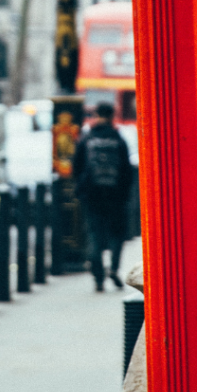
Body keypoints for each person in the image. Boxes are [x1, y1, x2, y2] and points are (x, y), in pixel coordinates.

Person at [73, 101, 133, 291]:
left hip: (92, 196)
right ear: (112, 117)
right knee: (117, 234)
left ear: (97, 116)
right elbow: (126, 170)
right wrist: (125, 194)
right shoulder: (118, 139)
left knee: (94, 233)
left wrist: (81, 189)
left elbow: (76, 167)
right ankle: (114, 268)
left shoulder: (87, 139)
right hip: (116, 196)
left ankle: (98, 276)